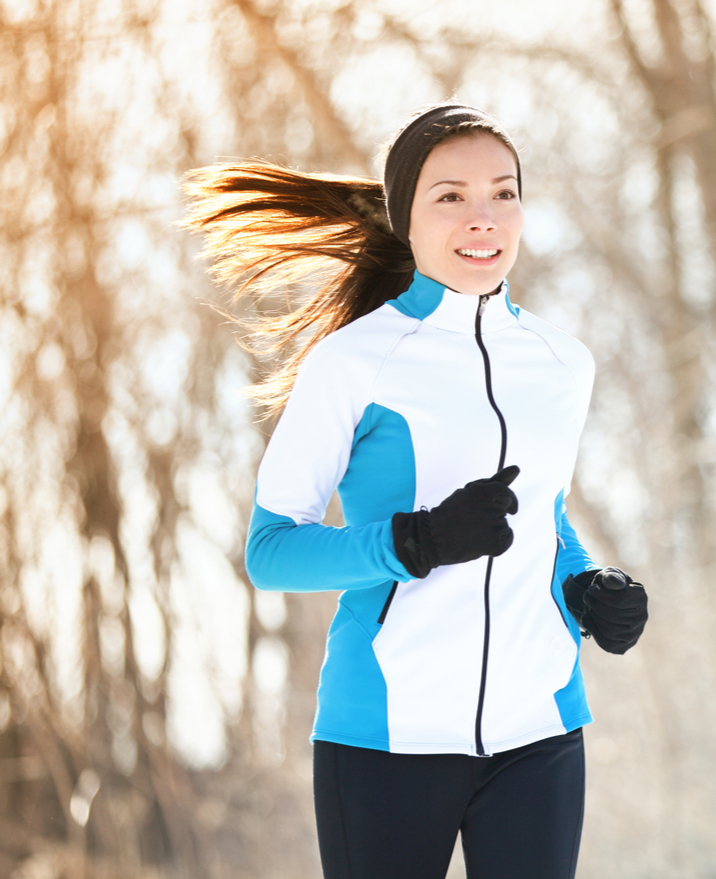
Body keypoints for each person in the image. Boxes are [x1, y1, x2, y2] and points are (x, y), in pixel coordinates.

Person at [183, 104, 649, 879]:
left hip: (539, 731)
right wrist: (416, 542)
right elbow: (270, 552)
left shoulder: (563, 364)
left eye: (504, 194)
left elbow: (544, 519)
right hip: (385, 738)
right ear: (406, 217)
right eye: (451, 196)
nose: (483, 217)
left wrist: (587, 585)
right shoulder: (354, 362)